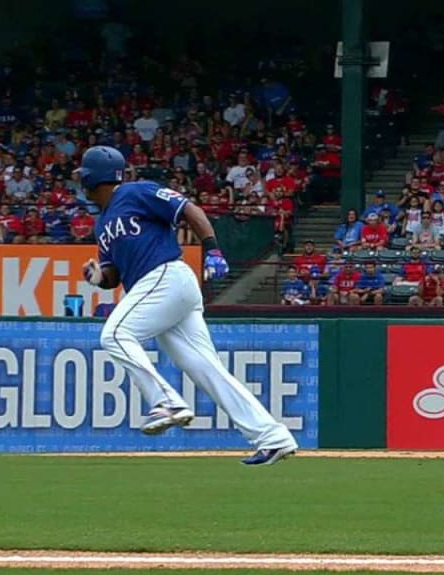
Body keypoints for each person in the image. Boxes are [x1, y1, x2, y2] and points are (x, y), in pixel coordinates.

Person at [77, 146, 297, 466]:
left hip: (167, 275)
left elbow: (187, 209)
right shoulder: (102, 225)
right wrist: (99, 277)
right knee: (207, 368)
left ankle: (166, 402)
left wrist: (213, 248)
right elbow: (113, 275)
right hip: (157, 291)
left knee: (114, 334)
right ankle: (273, 437)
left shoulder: (136, 192)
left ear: (92, 179)